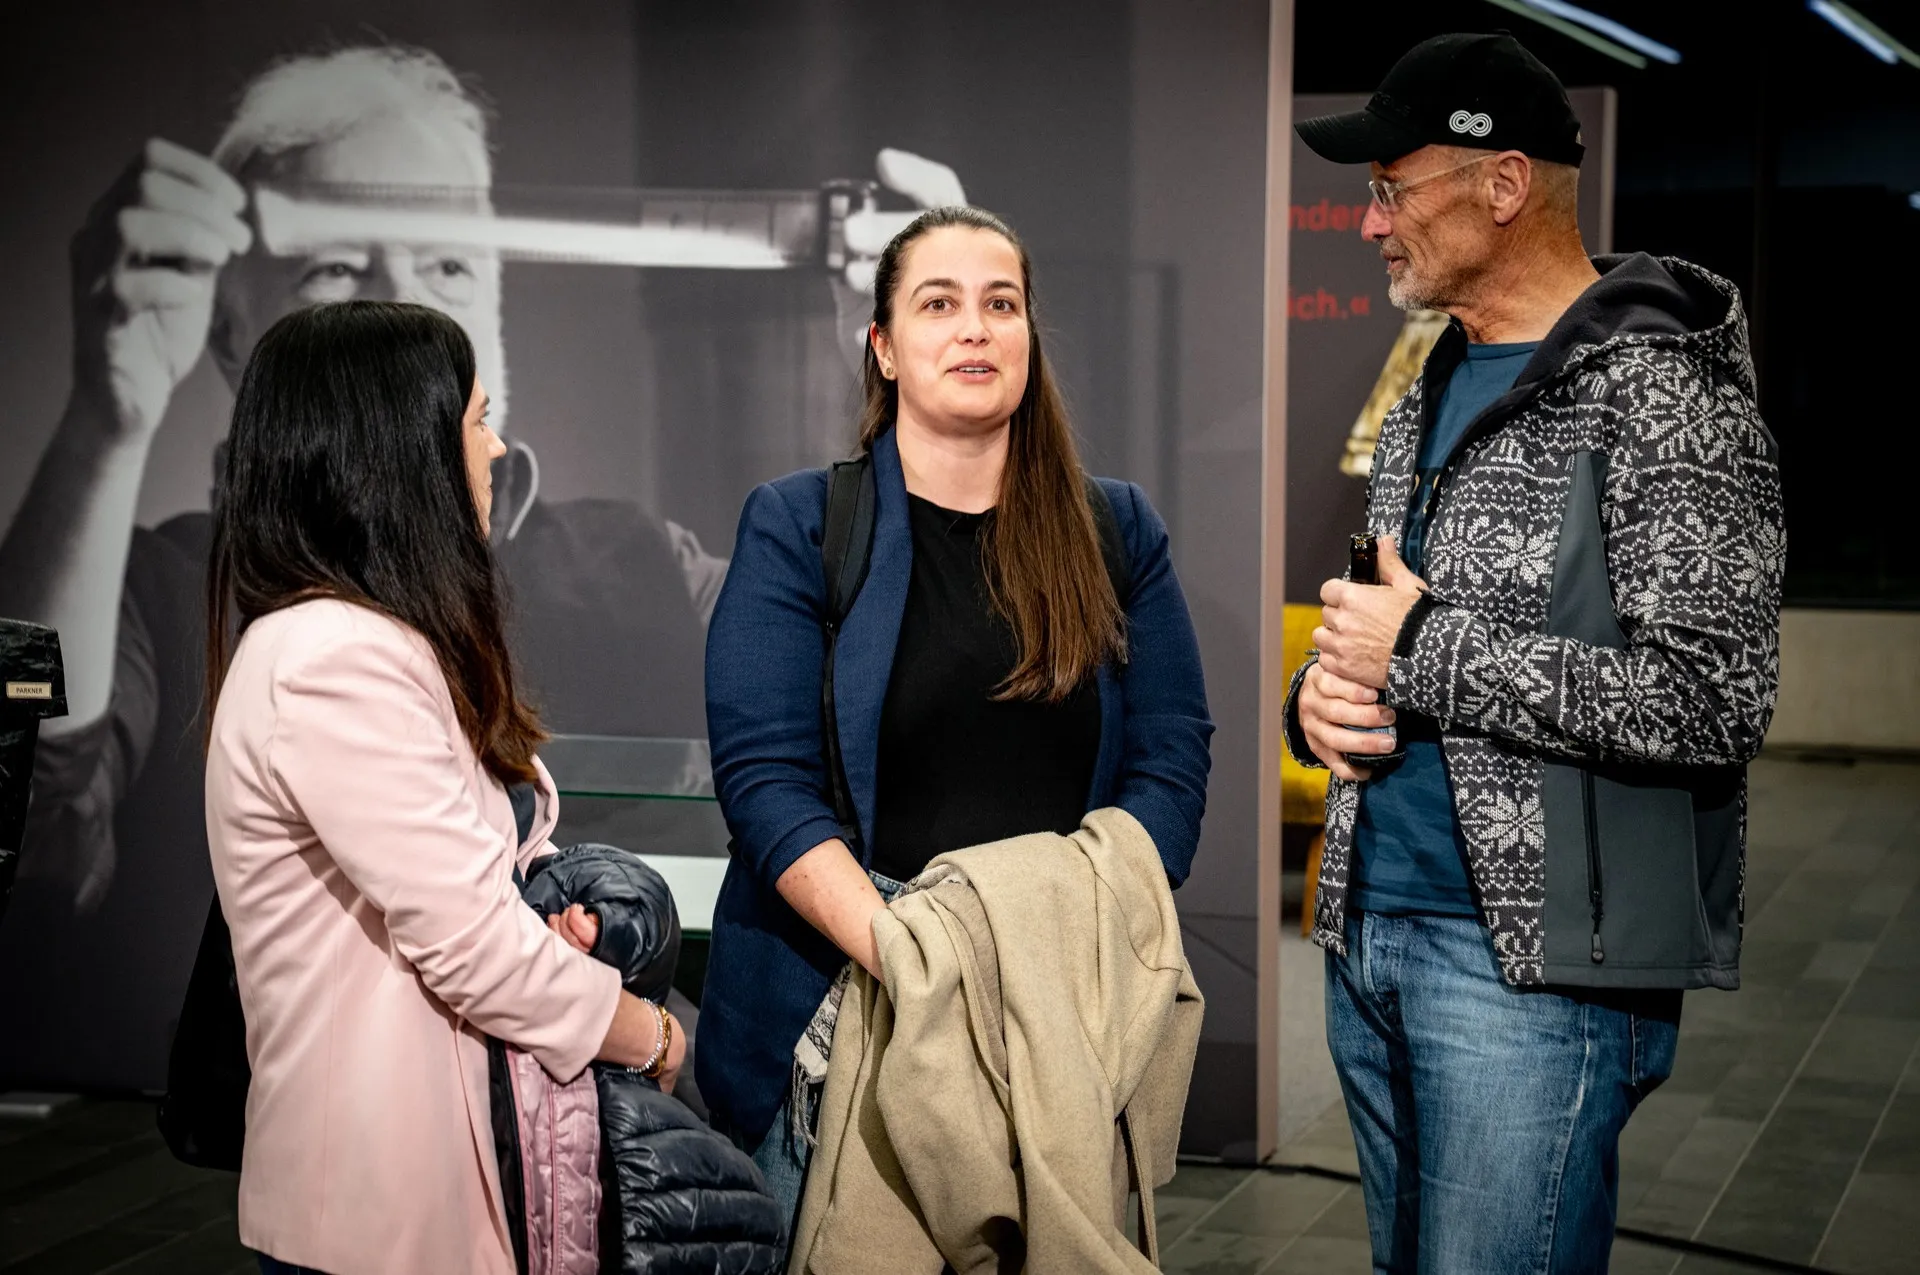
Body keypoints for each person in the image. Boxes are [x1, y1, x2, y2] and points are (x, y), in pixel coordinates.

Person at [0, 42, 966, 1092]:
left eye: (450, 268)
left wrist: (919, 394)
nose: (416, 320)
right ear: (235, 334)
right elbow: (46, 827)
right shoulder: (207, 606)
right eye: (336, 269)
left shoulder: (642, 561)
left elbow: (888, 678)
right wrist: (108, 421)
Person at [1284, 32, 1785, 1273]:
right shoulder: (1428, 385)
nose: (1370, 223)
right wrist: (1321, 701)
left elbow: (1713, 699)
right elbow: (1387, 626)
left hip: (1533, 974)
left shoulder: (1668, 396)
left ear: (1503, 184)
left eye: (1391, 189)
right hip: (1371, 932)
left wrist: (1424, 647)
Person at [697, 204, 1214, 1227]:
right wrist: (919, 959)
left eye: (1000, 304)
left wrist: (1063, 935)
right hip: (845, 999)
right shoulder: (799, 523)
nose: (975, 327)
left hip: (1058, 999)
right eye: (939, 304)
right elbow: (765, 785)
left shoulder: (1118, 529)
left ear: (1028, 337)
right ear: (884, 348)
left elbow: (1172, 762)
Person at [202, 299, 685, 1275]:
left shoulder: (356, 640)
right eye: (477, 419)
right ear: (397, 451)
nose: (496, 447)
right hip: (381, 1213)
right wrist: (655, 1036)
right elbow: (472, 947)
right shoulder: (334, 657)